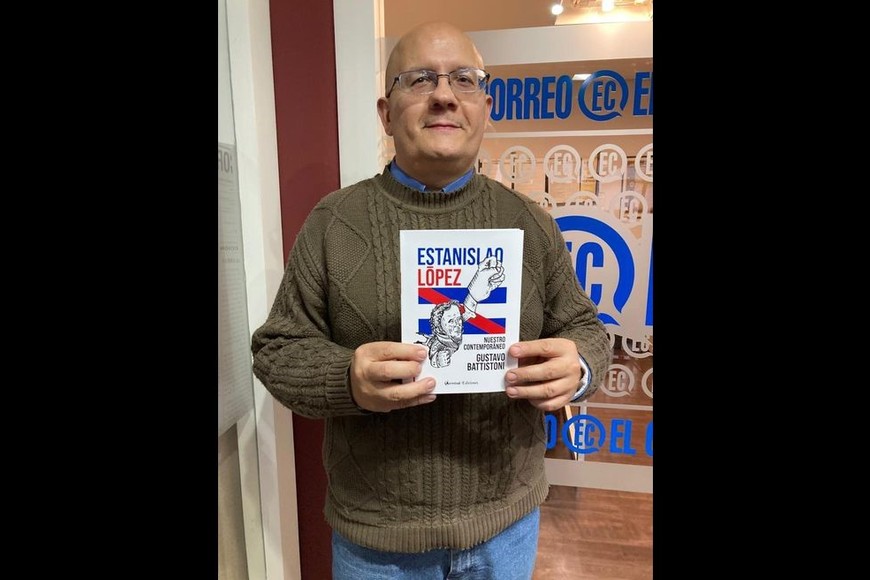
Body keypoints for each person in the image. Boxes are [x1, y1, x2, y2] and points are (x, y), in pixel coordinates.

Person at [251, 20, 612, 579]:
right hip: (377, 545)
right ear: (385, 111)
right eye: (419, 79)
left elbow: (585, 327)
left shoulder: (532, 226)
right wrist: (346, 378)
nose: (444, 94)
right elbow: (277, 351)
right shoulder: (333, 223)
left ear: (485, 106)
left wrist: (582, 366)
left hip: (506, 530)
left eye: (464, 79)